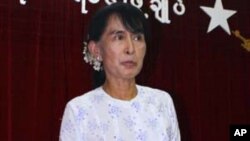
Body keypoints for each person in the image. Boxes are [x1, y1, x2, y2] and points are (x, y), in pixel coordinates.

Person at [60, 2, 180, 141]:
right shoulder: (79, 110)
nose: (130, 48)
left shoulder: (161, 102)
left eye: (137, 38)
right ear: (96, 50)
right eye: (119, 37)